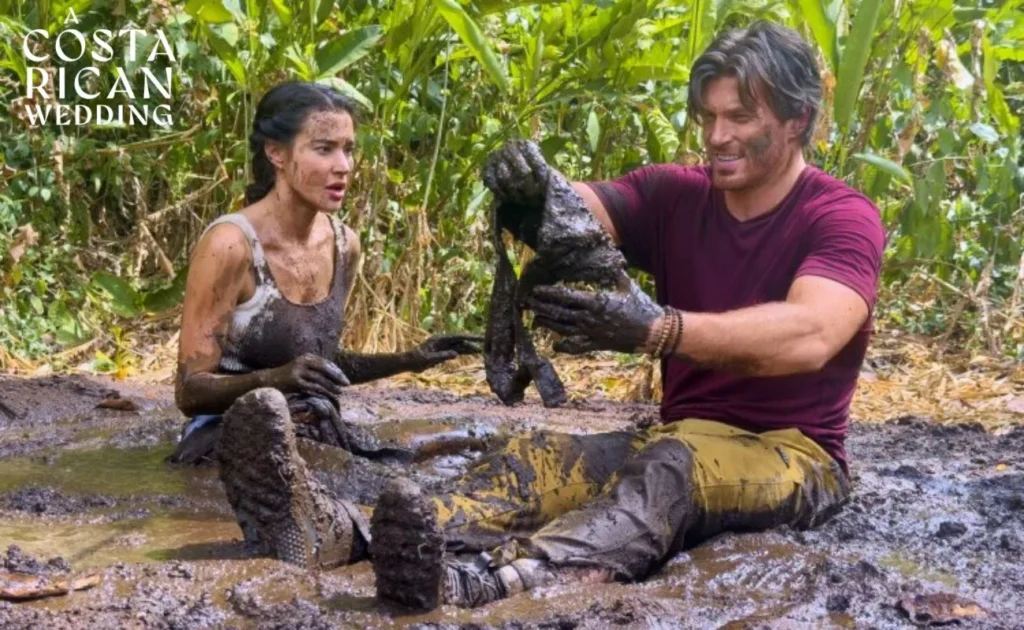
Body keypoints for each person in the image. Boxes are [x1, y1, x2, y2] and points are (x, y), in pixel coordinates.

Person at [362, 19, 886, 608]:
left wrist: (660, 329)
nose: (718, 135)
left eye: (740, 117)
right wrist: (537, 189)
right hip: (680, 436)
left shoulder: (842, 217)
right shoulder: (676, 195)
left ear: (798, 119)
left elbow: (812, 333)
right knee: (533, 457)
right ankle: (355, 535)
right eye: (708, 117)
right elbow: (584, 209)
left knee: (670, 472)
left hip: (796, 455)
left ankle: (501, 580)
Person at [169, 81, 480, 558]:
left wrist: (411, 360)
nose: (344, 167)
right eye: (324, 149)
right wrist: (276, 380)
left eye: (349, 150)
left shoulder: (344, 243)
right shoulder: (230, 245)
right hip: (231, 438)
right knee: (392, 492)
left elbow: (318, 366)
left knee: (450, 456)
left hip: (314, 426)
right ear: (276, 152)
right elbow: (190, 392)